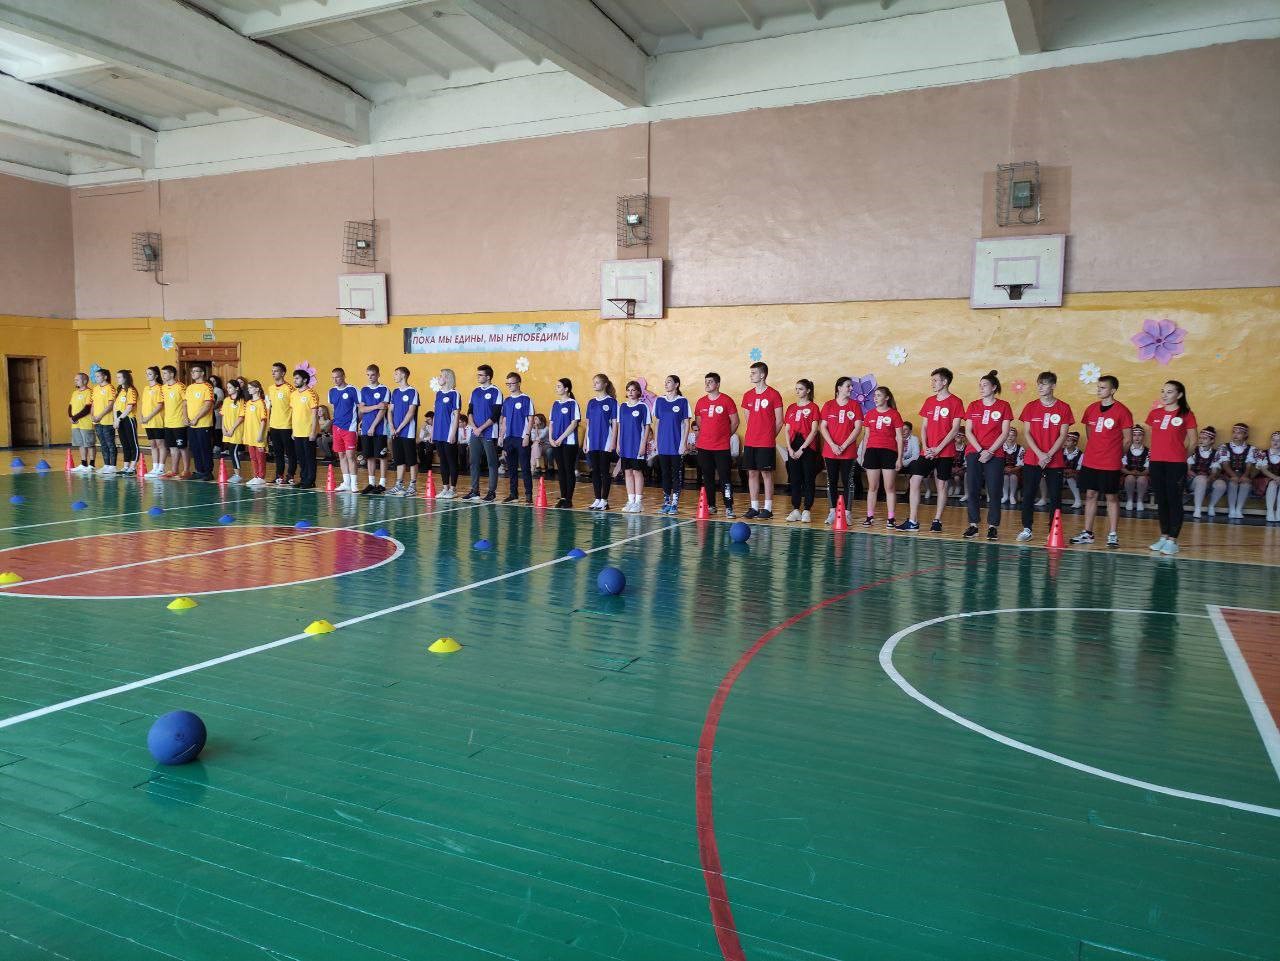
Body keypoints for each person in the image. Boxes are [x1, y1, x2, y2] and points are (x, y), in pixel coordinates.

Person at [1071, 375, 1134, 548]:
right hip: (1091, 460)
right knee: (1090, 495)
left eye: (1103, 388)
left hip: (1110, 462)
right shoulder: (1091, 409)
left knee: (1111, 497)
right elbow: (1089, 432)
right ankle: (1087, 533)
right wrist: (1096, 448)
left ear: (1113, 390)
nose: (1099, 390)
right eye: (1098, 387)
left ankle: (1112, 534)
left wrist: (1114, 454)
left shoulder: (1122, 411)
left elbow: (1128, 440)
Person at [1015, 371, 1074, 542]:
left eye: (1044, 383)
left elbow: (1063, 435)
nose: (1040, 387)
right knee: (1028, 494)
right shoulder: (1030, 407)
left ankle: (1053, 530)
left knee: (1055, 497)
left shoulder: (1063, 407)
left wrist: (1048, 455)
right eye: (1039, 384)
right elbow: (1027, 432)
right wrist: (1040, 454)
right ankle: (1027, 528)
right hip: (1033, 459)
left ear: (1053, 386)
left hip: (1054, 460)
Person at [905, 367, 964, 533]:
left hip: (945, 452)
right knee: (914, 480)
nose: (932, 383)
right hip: (928, 451)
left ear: (944, 382)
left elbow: (954, 429)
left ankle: (937, 520)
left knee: (942, 484)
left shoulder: (956, 401)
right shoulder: (929, 401)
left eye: (935, 380)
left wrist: (938, 448)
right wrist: (926, 447)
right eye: (932, 381)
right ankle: (913, 521)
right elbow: (924, 427)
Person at [1146, 380, 1198, 556]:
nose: (1164, 395)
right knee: (1161, 500)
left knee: (1174, 500)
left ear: (1179, 395)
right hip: (1156, 462)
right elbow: (1154, 438)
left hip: (1176, 464)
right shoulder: (1155, 413)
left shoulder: (1186, 414)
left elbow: (1193, 441)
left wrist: (1181, 457)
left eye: (1169, 392)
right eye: (1163, 391)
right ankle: (1164, 536)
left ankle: (1173, 540)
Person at [962, 370, 1014, 540]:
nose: (981, 388)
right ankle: (973, 525)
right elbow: (968, 431)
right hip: (974, 452)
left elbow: (1004, 433)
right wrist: (980, 451)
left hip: (995, 453)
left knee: (994, 489)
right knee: (973, 488)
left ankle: (993, 526)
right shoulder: (973, 405)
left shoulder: (1004, 406)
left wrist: (990, 451)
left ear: (994, 387)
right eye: (980, 385)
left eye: (985, 385)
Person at [740, 361, 784, 519]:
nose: (751, 375)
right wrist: (755, 433)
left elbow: (780, 421)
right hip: (750, 441)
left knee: (766, 473)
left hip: (766, 442)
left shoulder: (774, 394)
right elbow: (748, 419)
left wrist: (769, 436)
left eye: (754, 373)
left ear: (762, 375)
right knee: (752, 473)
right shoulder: (748, 395)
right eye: (750, 373)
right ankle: (754, 507)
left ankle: (768, 508)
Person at [693, 372, 739, 517]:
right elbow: (699, 422)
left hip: (721, 447)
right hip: (704, 447)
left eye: (710, 381)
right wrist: (708, 436)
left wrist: (724, 437)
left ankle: (729, 507)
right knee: (708, 477)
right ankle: (711, 505)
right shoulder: (701, 402)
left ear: (718, 384)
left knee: (725, 478)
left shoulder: (727, 400)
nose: (707, 384)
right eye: (706, 381)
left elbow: (735, 422)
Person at [819, 376, 862, 526]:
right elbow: (823, 427)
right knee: (831, 480)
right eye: (848, 386)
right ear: (839, 388)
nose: (851, 388)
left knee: (847, 481)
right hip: (830, 451)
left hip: (848, 452)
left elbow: (858, 428)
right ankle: (832, 512)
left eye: (851, 386)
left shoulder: (855, 405)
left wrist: (843, 446)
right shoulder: (829, 405)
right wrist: (832, 445)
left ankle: (847, 513)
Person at [862, 386, 904, 527]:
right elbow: (866, 436)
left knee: (889, 487)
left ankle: (891, 518)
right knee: (872, 487)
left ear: (887, 398)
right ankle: (869, 516)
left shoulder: (894, 414)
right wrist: (864, 455)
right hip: (872, 452)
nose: (875, 398)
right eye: (874, 395)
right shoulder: (869, 414)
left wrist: (899, 458)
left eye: (879, 395)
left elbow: (899, 437)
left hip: (889, 452)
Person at [782, 379, 821, 522]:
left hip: (807, 447)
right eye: (796, 389)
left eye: (800, 389)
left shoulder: (813, 407)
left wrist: (802, 449)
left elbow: (814, 430)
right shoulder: (791, 407)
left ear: (808, 390)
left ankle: (807, 510)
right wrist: (789, 448)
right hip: (793, 445)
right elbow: (787, 429)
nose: (797, 391)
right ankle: (795, 509)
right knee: (795, 479)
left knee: (808, 478)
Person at [652, 375, 690, 515]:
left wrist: (683, 443)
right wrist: (656, 442)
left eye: (669, 382)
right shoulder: (659, 401)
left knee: (676, 474)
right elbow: (657, 422)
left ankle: (675, 503)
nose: (666, 384)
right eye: (665, 382)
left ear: (676, 384)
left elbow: (686, 423)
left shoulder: (682, 401)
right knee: (665, 474)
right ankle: (666, 502)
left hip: (676, 445)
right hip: (663, 444)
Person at [464, 364, 502, 502]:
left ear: (488, 377)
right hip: (475, 432)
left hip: (489, 433)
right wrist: (474, 427)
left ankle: (491, 492)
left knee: (492, 463)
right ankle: (475, 491)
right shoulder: (475, 391)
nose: (478, 377)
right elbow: (469, 411)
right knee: (473, 462)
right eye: (478, 374)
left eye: (480, 375)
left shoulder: (496, 391)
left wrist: (481, 428)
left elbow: (495, 415)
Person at [614, 380, 651, 513]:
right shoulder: (622, 407)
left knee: (637, 472)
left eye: (633, 390)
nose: (630, 392)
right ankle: (631, 500)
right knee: (627, 472)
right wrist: (618, 443)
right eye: (628, 390)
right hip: (625, 445)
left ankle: (638, 502)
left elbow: (647, 427)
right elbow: (619, 426)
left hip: (637, 445)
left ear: (638, 392)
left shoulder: (643, 407)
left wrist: (643, 444)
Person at [546, 378, 583, 509]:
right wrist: (551, 438)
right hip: (556, 442)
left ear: (566, 388)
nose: (556, 388)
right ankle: (562, 497)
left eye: (559, 386)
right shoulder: (555, 404)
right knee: (560, 470)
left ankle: (569, 499)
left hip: (569, 442)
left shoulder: (573, 403)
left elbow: (574, 423)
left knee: (568, 469)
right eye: (556, 386)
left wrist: (561, 438)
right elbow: (551, 423)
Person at [584, 374, 619, 511]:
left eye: (597, 382)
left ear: (605, 384)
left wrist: (613, 442)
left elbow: (615, 424)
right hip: (592, 440)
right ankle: (597, 499)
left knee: (604, 471)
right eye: (594, 382)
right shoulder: (591, 402)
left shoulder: (612, 402)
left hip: (606, 440)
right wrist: (585, 442)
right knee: (595, 471)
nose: (594, 384)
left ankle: (604, 500)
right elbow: (588, 424)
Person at [499, 372, 534, 503]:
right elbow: (504, 420)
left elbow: (530, 419)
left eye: (512, 383)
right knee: (511, 468)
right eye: (507, 383)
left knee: (525, 467)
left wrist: (527, 436)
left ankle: (529, 495)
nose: (509, 386)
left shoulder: (526, 399)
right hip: (509, 438)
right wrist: (501, 436)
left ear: (518, 383)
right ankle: (513, 494)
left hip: (521, 438)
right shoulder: (507, 401)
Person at [387, 367, 419, 496]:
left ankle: (412, 486)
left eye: (396, 374)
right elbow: (390, 410)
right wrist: (391, 427)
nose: (394, 376)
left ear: (404, 375)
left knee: (411, 459)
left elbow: (411, 413)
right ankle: (399, 485)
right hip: (395, 432)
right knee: (399, 459)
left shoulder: (413, 391)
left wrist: (399, 428)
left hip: (407, 432)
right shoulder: (395, 392)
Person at [358, 364, 390, 495]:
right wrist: (376, 406)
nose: (370, 377)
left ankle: (382, 484)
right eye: (368, 375)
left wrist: (373, 426)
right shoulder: (364, 390)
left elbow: (383, 410)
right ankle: (371, 483)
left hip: (380, 429)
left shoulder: (384, 389)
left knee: (381, 456)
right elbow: (362, 409)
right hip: (366, 429)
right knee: (369, 456)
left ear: (378, 375)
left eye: (372, 375)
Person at [327, 368, 361, 493]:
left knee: (350, 455)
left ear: (343, 376)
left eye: (337, 377)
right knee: (341, 455)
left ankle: (354, 483)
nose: (335, 380)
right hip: (337, 427)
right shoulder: (331, 391)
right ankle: (346, 483)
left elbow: (361, 409)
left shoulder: (353, 390)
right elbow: (334, 408)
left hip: (350, 428)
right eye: (333, 378)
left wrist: (357, 422)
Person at [1213, 422, 1254, 522]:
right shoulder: (1224, 447)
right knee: (1233, 483)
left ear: (1245, 435)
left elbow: (1249, 466)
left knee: (1245, 484)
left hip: (1243, 474)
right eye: (1234, 432)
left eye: (1239, 433)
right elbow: (1225, 465)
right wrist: (1233, 476)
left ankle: (1239, 509)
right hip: (1228, 475)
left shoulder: (1251, 449)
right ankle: (1232, 509)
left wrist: (1245, 476)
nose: (1235, 435)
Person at [432, 368, 462, 499]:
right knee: (442, 461)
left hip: (448, 433)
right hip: (438, 433)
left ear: (448, 378)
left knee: (451, 460)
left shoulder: (455, 394)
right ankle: (445, 488)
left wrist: (453, 434)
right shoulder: (438, 394)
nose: (439, 378)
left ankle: (453, 489)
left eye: (441, 376)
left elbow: (456, 415)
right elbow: (435, 415)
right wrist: (433, 432)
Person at [289, 368, 320, 490]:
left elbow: (314, 414)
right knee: (301, 457)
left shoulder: (311, 394)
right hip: (297, 431)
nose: (295, 380)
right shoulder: (293, 395)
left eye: (297, 378)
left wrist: (313, 432)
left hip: (308, 431)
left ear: (305, 380)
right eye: (294, 378)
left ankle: (310, 480)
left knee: (309, 457)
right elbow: (294, 413)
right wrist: (293, 430)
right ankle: (303, 479)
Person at [266, 362, 296, 486]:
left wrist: (294, 426)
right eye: (272, 371)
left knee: (290, 452)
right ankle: (279, 475)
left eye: (276, 371)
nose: (273, 373)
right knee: (277, 453)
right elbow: (271, 407)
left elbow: (295, 408)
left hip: (286, 426)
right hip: (274, 425)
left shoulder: (290, 389)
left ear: (283, 373)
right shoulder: (271, 388)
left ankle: (290, 475)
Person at [185, 365, 216, 480]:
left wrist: (196, 418)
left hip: (203, 424)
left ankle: (208, 472)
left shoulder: (207, 387)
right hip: (191, 425)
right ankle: (199, 470)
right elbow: (185, 404)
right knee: (195, 448)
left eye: (196, 371)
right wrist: (185, 417)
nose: (193, 373)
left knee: (205, 448)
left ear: (202, 373)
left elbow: (208, 405)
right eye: (192, 371)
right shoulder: (190, 387)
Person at [160, 365, 187, 478]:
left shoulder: (181, 386)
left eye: (165, 373)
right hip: (168, 422)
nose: (163, 375)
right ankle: (174, 470)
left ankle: (186, 470)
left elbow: (186, 402)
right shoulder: (163, 388)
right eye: (162, 373)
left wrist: (185, 417)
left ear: (172, 374)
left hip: (179, 422)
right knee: (172, 447)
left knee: (182, 447)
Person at [139, 365, 166, 476]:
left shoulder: (160, 388)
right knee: (152, 444)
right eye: (146, 374)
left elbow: (160, 405)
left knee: (160, 443)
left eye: (150, 374)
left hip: (157, 420)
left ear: (156, 376)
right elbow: (143, 404)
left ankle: (161, 468)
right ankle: (155, 467)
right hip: (147, 421)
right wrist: (142, 416)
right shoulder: (146, 388)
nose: (147, 376)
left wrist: (149, 417)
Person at [90, 367, 117, 475]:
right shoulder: (95, 389)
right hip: (97, 421)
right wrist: (92, 415)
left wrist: (100, 415)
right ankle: (106, 465)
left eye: (98, 376)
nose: (96, 378)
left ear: (105, 377)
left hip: (107, 421)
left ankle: (113, 466)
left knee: (110, 444)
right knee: (103, 444)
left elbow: (111, 405)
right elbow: (93, 404)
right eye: (95, 376)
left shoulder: (110, 388)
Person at [112, 369, 140, 475]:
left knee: (132, 443)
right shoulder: (119, 390)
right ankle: (125, 466)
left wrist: (119, 419)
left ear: (125, 378)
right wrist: (116, 419)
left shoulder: (131, 390)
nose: (117, 379)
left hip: (128, 419)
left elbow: (129, 407)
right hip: (120, 420)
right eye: (117, 377)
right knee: (124, 444)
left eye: (119, 377)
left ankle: (132, 467)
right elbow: (115, 406)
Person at [1187, 427, 1219, 519]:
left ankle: (1211, 506)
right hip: (1192, 481)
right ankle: (1198, 509)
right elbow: (1188, 470)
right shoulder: (1193, 450)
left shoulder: (1216, 453)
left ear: (1212, 440)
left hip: (1208, 480)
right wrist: (1196, 475)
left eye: (1205, 438)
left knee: (1221, 485)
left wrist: (1209, 479)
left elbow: (1214, 472)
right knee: (1201, 479)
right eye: (1200, 438)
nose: (1201, 440)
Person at [243, 380, 269, 486]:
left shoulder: (261, 403)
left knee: (260, 457)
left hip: (259, 435)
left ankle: (261, 477)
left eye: (250, 387)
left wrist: (260, 434)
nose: (248, 389)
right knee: (253, 457)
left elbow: (263, 420)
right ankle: (255, 476)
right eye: (248, 388)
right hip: (250, 435)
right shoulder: (248, 403)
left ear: (257, 389)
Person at [220, 379, 246, 482]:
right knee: (231, 452)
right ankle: (236, 474)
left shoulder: (241, 401)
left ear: (237, 388)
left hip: (236, 430)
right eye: (227, 387)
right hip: (227, 431)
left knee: (233, 451)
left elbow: (241, 417)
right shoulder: (226, 400)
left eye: (230, 387)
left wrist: (232, 429)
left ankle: (238, 475)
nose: (228, 389)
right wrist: (223, 428)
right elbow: (223, 415)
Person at [68, 372, 95, 474]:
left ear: (84, 381)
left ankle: (92, 464)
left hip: (86, 423)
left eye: (77, 379)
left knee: (89, 444)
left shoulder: (90, 392)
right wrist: (71, 417)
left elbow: (87, 408)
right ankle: (83, 463)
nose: (75, 381)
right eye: (75, 380)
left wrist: (75, 417)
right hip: (75, 423)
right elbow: (70, 406)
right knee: (80, 443)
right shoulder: (75, 393)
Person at [1121, 427, 1150, 512]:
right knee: (1130, 478)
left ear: (1143, 436)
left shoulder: (1148, 451)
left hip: (1142, 474)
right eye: (1134, 435)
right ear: (1131, 436)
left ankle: (1139, 501)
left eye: (1139, 435)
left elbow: (1148, 469)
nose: (1137, 437)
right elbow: (1121, 468)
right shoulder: (1126, 450)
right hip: (1128, 474)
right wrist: (1131, 472)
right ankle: (1129, 500)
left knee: (1142, 479)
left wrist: (1140, 474)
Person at [1253, 431, 1280, 523]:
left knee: (1275, 483)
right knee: (1272, 484)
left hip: (1278, 480)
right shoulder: (1263, 453)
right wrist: (1276, 478)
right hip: (1263, 479)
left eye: (1278, 440)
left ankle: (1279, 512)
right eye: (1273, 440)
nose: (1275, 442)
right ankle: (1270, 511)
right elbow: (1264, 470)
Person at [1001, 430, 1023, 506]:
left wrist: (1012, 470)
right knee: (1005, 477)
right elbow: (998, 461)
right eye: (1008, 435)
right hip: (1003, 469)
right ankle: (1005, 495)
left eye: (1013, 435)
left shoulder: (1020, 448)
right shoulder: (1000, 447)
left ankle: (1012, 496)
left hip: (1015, 469)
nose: (1010, 437)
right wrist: (1004, 468)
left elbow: (1021, 464)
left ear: (1016, 437)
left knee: (1013, 477)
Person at [1061, 432, 1083, 509]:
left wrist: (1072, 473)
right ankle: (1056, 499)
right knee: (1058, 478)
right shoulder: (1060, 452)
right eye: (1065, 440)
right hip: (1062, 474)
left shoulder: (1080, 454)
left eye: (1068, 441)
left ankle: (1078, 501)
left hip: (1075, 476)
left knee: (1070, 478)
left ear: (1074, 443)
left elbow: (1079, 470)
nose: (1065, 442)